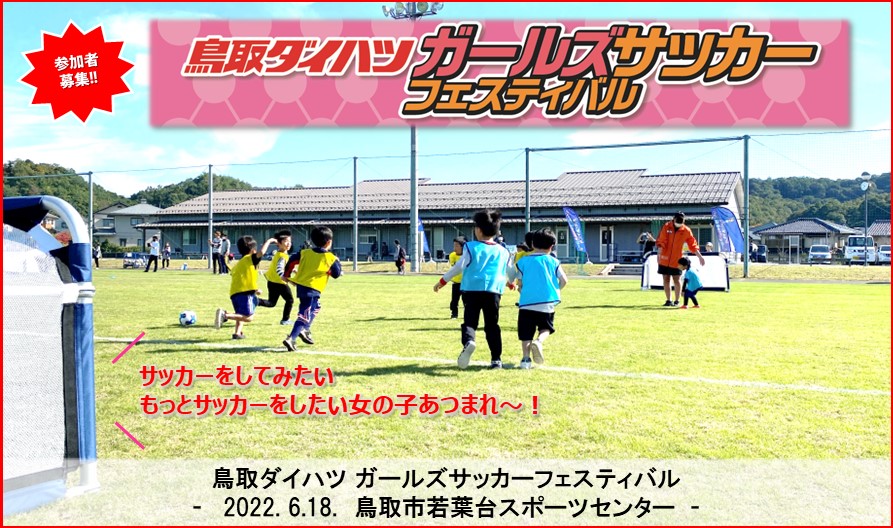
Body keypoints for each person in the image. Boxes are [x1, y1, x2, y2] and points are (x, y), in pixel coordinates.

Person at [434, 209, 513, 370]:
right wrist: (511, 283)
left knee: (470, 322)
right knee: (492, 325)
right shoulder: (503, 251)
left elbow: (459, 267)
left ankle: (469, 341)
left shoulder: (470, 247)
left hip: (471, 290)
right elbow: (510, 271)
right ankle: (496, 360)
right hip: (493, 290)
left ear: (478, 230)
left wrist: (443, 281)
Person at [508, 228, 568, 369]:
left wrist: (523, 292)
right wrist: (556, 290)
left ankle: (525, 360)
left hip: (526, 303)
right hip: (547, 302)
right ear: (551, 246)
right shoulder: (553, 261)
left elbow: (519, 283)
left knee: (526, 334)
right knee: (546, 328)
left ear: (532, 244)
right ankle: (539, 341)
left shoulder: (523, 261)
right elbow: (564, 280)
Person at [282, 226, 342, 350]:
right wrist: (333, 266)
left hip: (302, 287)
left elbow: (292, 260)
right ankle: (291, 338)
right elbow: (336, 274)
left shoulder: (305, 253)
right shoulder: (330, 258)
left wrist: (286, 275)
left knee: (316, 307)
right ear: (329, 242)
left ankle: (305, 329)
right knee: (304, 314)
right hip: (313, 289)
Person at [214, 235, 276, 339]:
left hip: (235, 293)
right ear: (252, 250)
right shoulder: (250, 259)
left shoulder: (240, 263)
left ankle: (237, 333)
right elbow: (262, 252)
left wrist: (255, 289)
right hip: (245, 293)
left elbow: (243, 278)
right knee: (248, 317)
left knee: (240, 314)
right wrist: (270, 241)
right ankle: (225, 315)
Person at [655, 212, 705, 306]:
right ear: (674, 219)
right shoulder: (666, 226)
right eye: (677, 222)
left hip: (677, 260)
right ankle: (668, 300)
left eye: (681, 222)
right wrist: (659, 254)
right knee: (666, 279)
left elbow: (692, 244)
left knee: (677, 280)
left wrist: (700, 256)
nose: (679, 224)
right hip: (664, 258)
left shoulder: (686, 230)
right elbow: (661, 241)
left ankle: (677, 300)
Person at [263, 230, 295, 325]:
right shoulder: (282, 256)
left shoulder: (279, 254)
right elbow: (279, 269)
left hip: (271, 281)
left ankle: (255, 300)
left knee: (271, 303)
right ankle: (285, 320)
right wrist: (287, 279)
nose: (288, 243)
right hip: (279, 283)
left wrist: (293, 270)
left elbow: (283, 266)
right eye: (286, 241)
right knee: (290, 300)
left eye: (290, 241)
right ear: (279, 243)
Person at [447, 236, 467, 319]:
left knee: (466, 300)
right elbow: (455, 267)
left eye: (457, 246)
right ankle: (454, 314)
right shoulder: (452, 255)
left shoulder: (467, 255)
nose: (454, 248)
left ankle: (467, 315)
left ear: (463, 246)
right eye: (454, 245)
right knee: (454, 300)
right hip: (456, 282)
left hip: (466, 282)